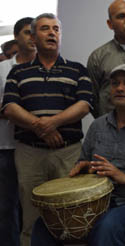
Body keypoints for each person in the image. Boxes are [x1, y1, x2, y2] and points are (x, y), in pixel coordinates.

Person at [31, 64, 125, 246]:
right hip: (100, 204)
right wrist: (85, 168)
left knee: (108, 226)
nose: (120, 88)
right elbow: (83, 161)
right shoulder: (98, 126)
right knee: (44, 225)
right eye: (115, 83)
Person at [1, 13, 92, 246]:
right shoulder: (17, 72)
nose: (52, 33)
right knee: (31, 218)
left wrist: (52, 122)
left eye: (55, 29)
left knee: (70, 217)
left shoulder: (77, 70)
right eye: (44, 29)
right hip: (29, 154)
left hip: (68, 152)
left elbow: (84, 105)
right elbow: (10, 107)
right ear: (33, 36)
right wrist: (40, 126)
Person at [0, 17, 36, 246]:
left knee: (35, 207)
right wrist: (28, 115)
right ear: (16, 37)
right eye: (26, 32)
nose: (32, 36)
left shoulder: (45, 68)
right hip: (6, 148)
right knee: (6, 207)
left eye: (35, 32)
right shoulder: (2, 68)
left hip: (37, 148)